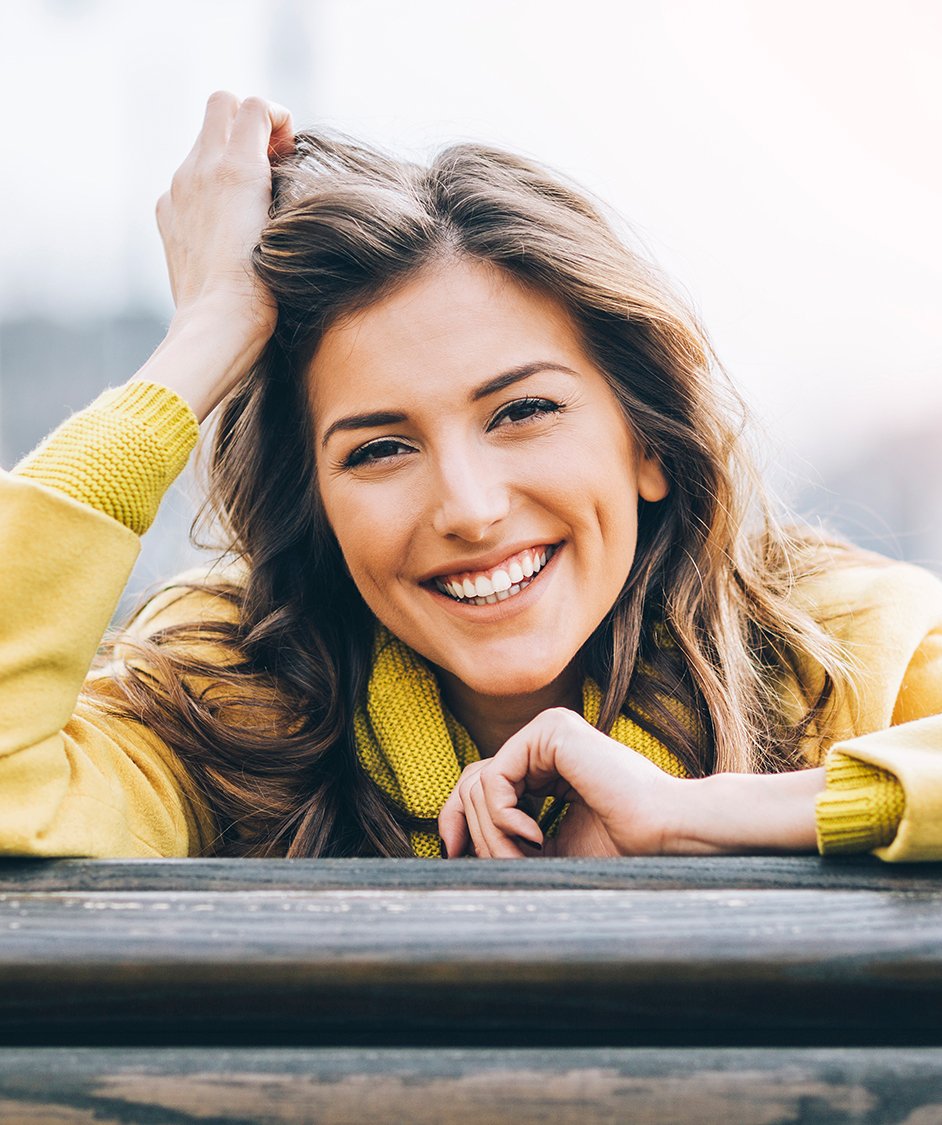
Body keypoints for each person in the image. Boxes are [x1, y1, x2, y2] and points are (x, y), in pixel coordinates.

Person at [3, 92, 942, 862]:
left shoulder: (845, 650)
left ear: (649, 444)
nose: (470, 507)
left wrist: (699, 812)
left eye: (524, 412)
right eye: (377, 449)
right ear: (317, 507)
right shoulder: (228, 706)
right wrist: (207, 330)